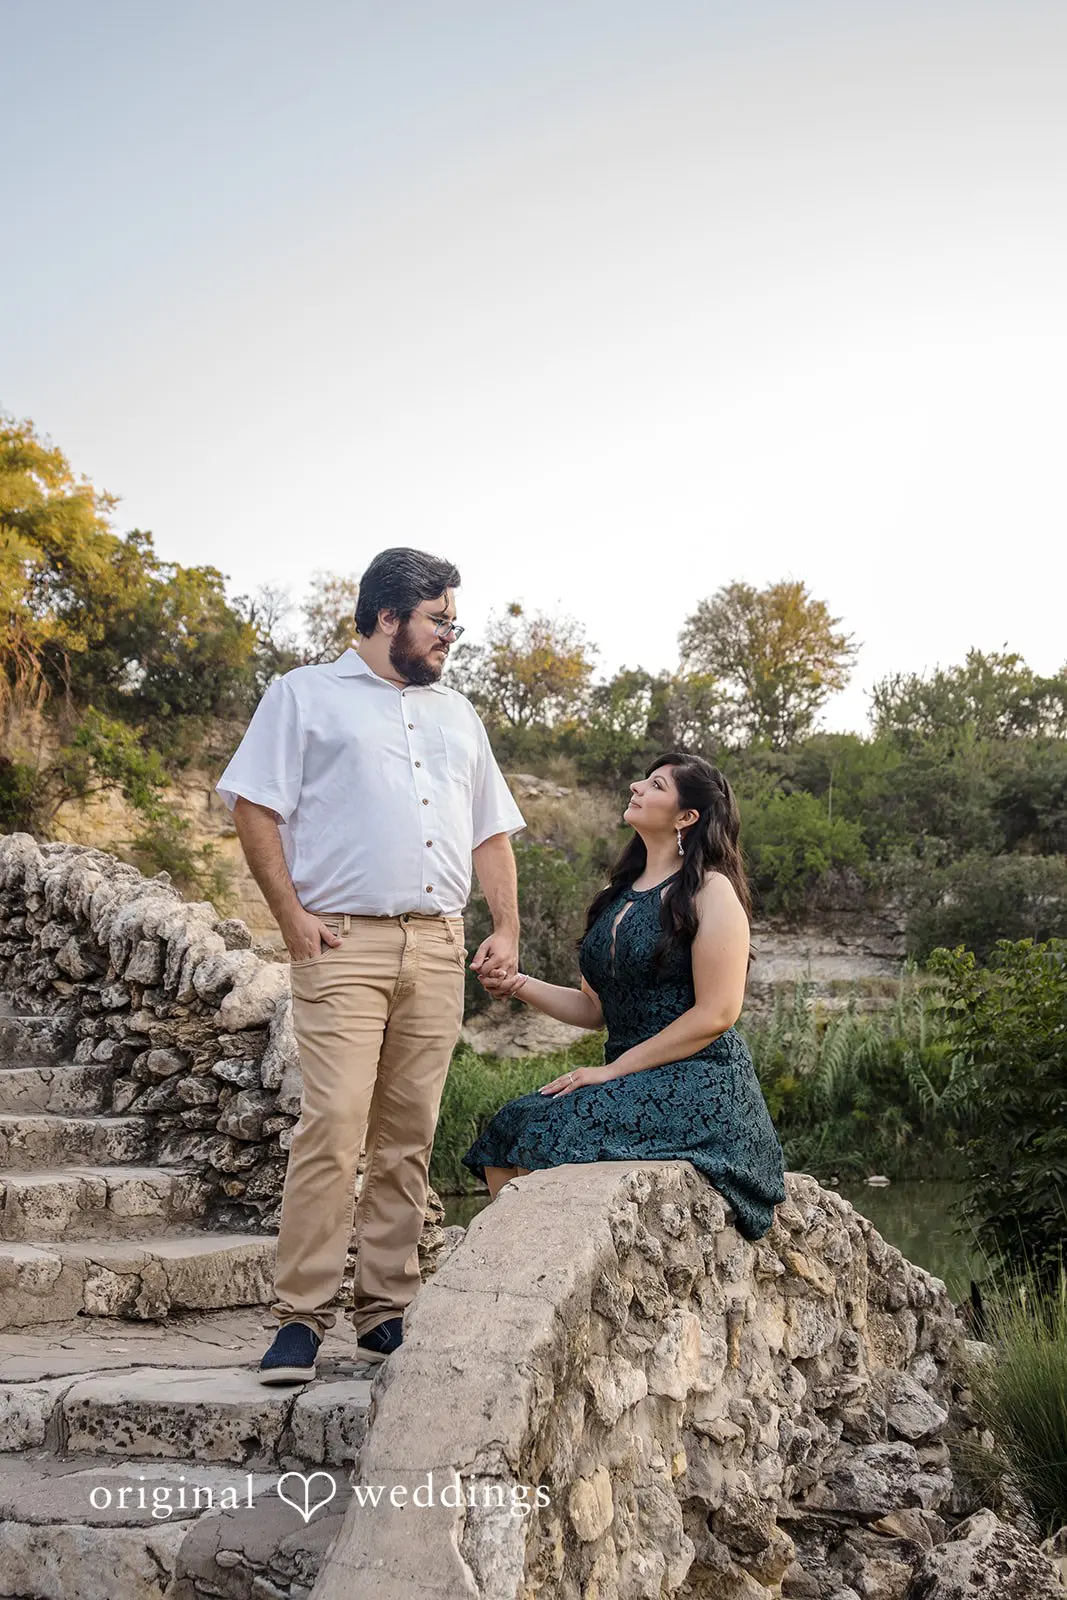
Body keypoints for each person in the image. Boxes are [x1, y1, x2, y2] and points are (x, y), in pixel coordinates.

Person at [216, 548, 526, 1383]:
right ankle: (299, 1318)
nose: (450, 637)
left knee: (409, 1134)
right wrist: (290, 918)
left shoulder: (458, 713)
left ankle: (385, 1310)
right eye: (440, 621)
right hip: (342, 942)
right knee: (334, 1124)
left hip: (435, 944)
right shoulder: (302, 695)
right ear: (388, 617)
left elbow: (488, 830)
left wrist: (506, 926)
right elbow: (254, 805)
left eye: (453, 623)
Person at [463, 752, 786, 1239]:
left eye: (655, 785)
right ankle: (514, 1265)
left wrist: (611, 1070)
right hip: (628, 1077)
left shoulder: (711, 891)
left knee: (549, 1132)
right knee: (509, 1126)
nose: (636, 786)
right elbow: (594, 1009)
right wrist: (518, 984)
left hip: (702, 1081)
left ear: (686, 817)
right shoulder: (616, 895)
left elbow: (718, 1013)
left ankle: (542, 1265)